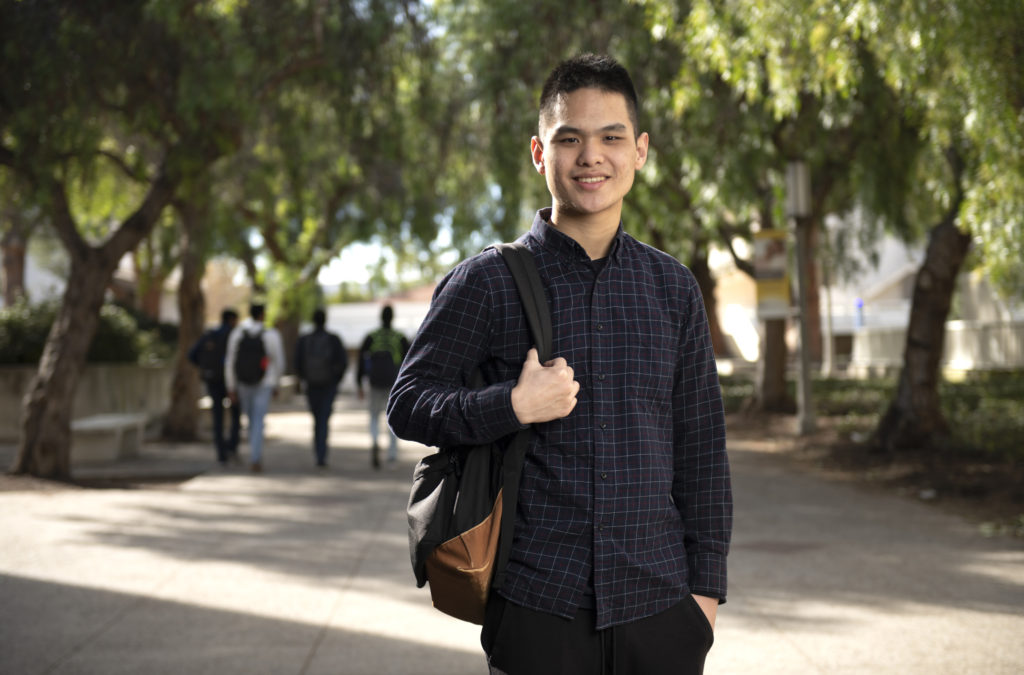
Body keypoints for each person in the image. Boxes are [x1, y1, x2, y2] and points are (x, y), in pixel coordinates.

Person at [387, 54, 731, 674]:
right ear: (540, 154)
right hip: (537, 605)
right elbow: (408, 402)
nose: (590, 156)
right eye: (569, 139)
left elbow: (702, 450)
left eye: (611, 138)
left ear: (641, 150)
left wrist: (703, 599)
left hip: (661, 608)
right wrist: (511, 406)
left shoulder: (672, 287)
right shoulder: (486, 283)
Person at [225, 302, 285, 474]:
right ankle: (255, 456)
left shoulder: (237, 334)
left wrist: (231, 386)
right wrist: (277, 382)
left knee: (251, 419)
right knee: (259, 419)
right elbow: (279, 362)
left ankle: (254, 453)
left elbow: (230, 362)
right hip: (264, 383)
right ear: (262, 315)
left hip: (243, 383)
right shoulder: (271, 335)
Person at [295, 308, 348, 470]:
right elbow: (343, 363)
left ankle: (318, 451)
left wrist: (305, 378)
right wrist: (335, 380)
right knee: (324, 418)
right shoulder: (333, 339)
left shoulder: (304, 340)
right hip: (328, 385)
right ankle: (321, 454)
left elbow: (297, 363)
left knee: (317, 418)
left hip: (312, 385)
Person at [357, 304, 409, 469]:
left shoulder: (371, 336)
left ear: (381, 317)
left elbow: (360, 360)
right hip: (393, 383)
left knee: (373, 415)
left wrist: (359, 382)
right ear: (392, 317)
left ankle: (374, 441)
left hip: (374, 381)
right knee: (392, 417)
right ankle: (392, 453)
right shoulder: (400, 337)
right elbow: (410, 362)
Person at [188, 308, 241, 466]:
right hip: (231, 382)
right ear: (232, 319)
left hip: (212, 380)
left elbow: (192, 355)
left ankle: (221, 452)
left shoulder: (210, 335)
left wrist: (205, 367)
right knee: (235, 415)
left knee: (217, 417)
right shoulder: (234, 335)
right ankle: (232, 446)